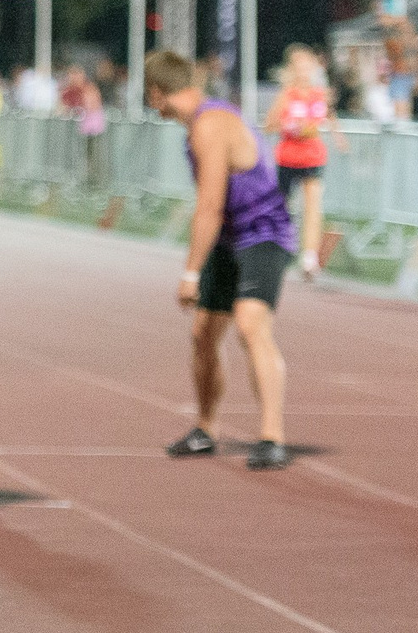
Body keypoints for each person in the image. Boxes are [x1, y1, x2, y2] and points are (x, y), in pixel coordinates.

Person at [146, 51, 293, 471]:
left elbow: (209, 204)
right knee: (203, 334)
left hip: (264, 232)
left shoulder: (210, 125)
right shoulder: (197, 126)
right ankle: (205, 428)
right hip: (230, 238)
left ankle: (271, 435)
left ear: (158, 93)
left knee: (250, 322)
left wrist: (190, 272)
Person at [268, 45, 341, 277]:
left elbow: (329, 119)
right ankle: (279, 249)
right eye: (299, 67)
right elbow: (269, 125)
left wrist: (338, 137)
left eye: (307, 67)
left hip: (313, 157)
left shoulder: (321, 95)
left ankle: (309, 258)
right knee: (283, 208)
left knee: (313, 206)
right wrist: (290, 127)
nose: (303, 72)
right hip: (288, 158)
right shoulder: (286, 95)